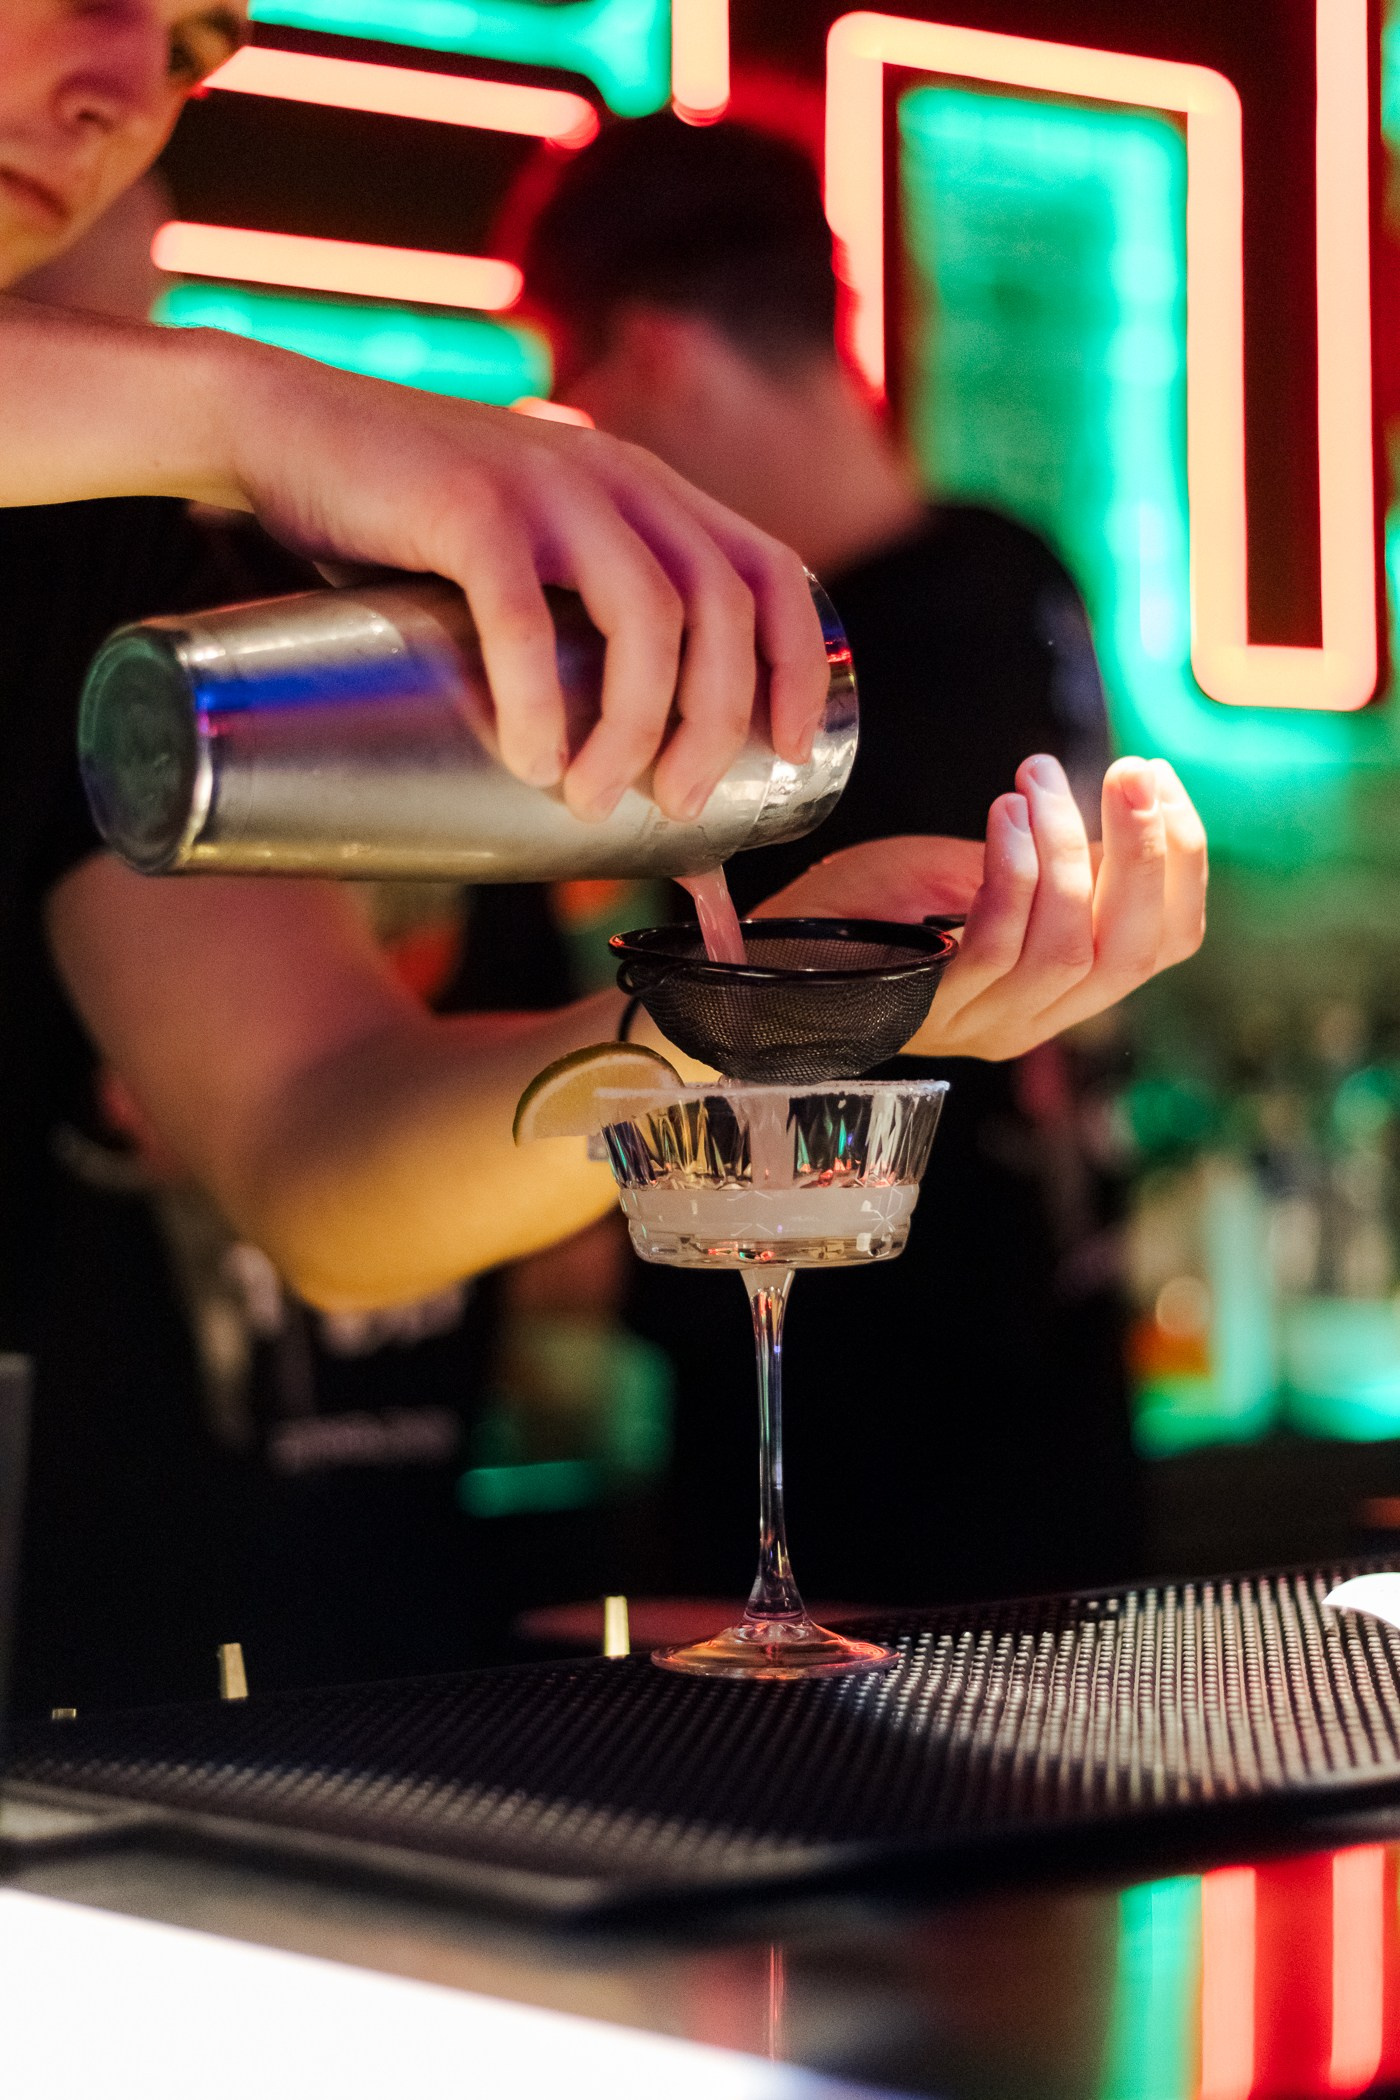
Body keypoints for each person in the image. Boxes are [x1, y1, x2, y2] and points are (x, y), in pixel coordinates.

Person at [0, 6, 1205, 1709]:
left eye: (195, 46)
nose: (129, 88)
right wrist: (259, 408)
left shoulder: (100, 582)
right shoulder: (200, 472)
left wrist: (748, 1013)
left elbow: (319, 1150)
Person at [511, 113, 1163, 1606]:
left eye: (579, 397)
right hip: (1044, 1436)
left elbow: (757, 1045)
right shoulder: (1015, 583)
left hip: (865, 1475)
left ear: (655, 352)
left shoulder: (815, 663)